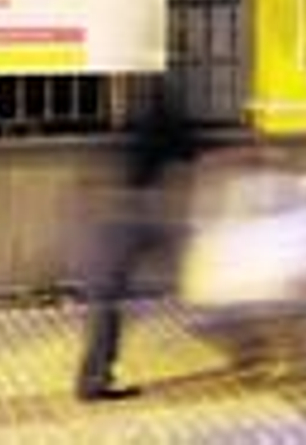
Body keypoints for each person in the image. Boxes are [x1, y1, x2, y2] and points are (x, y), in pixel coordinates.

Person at [76, 73, 211, 402]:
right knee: (196, 269)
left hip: (117, 214)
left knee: (107, 299)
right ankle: (94, 379)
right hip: (138, 215)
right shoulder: (168, 123)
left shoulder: (136, 120)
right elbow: (195, 152)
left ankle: (94, 377)